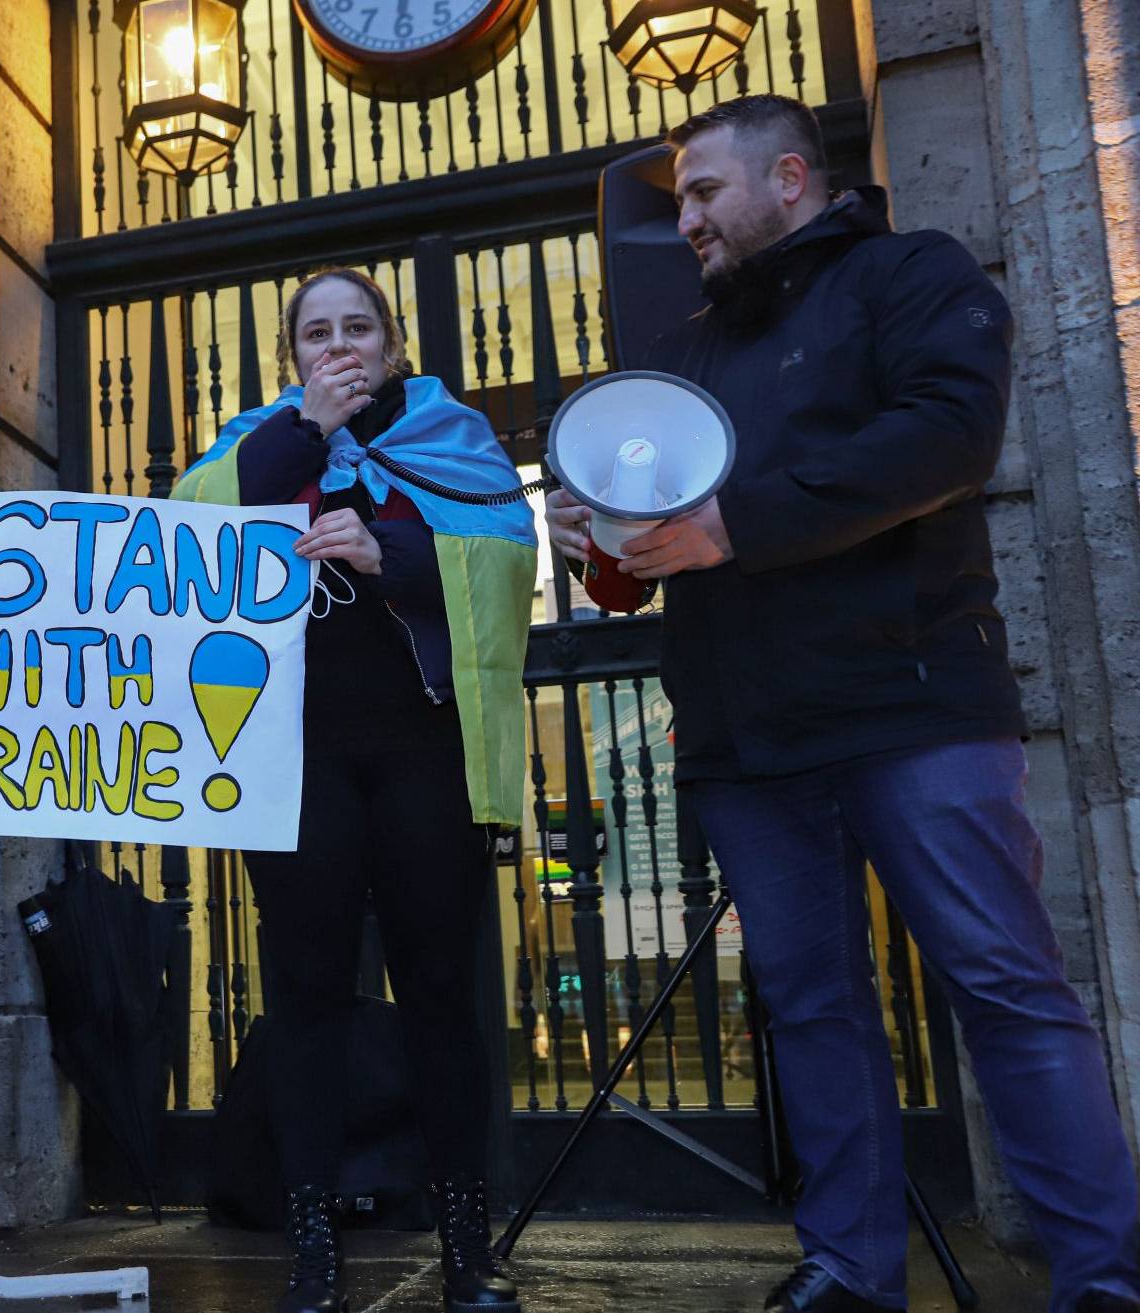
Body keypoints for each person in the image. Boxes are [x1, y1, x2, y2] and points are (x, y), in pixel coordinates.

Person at [546, 95, 1140, 1313]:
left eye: (703, 192)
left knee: (1003, 985)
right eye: (679, 198)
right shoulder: (684, 352)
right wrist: (601, 542)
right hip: (744, 738)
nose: (684, 219)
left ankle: (1100, 1276)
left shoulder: (909, 275)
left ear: (788, 178)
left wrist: (733, 523)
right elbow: (644, 562)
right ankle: (851, 1270)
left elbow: (948, 438)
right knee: (811, 1008)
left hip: (910, 706)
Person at [177, 267, 537, 1313]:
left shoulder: (452, 436)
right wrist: (308, 428)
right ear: (291, 357)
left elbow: (506, 562)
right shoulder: (261, 441)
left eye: (357, 328)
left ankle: (466, 1245)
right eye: (315, 333)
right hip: (295, 762)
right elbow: (190, 527)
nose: (338, 346)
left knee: (440, 993)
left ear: (392, 344)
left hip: (425, 749)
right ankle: (311, 1248)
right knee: (305, 997)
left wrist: (390, 554)